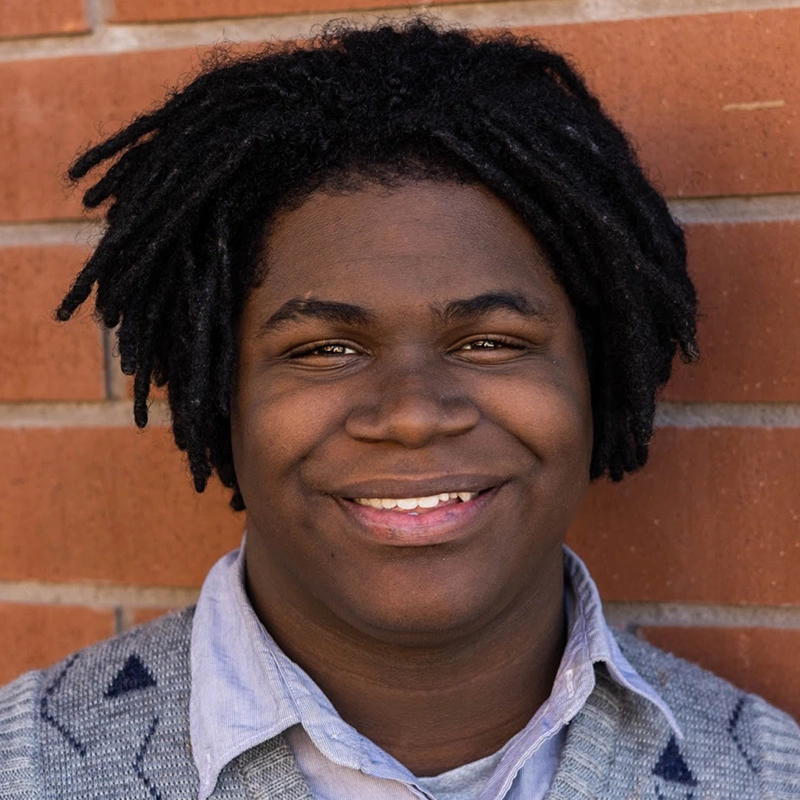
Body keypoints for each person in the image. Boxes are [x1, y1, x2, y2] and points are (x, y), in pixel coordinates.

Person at [1, 16, 798, 800]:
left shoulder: (769, 774)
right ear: (220, 398)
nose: (414, 415)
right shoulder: (27, 767)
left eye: (490, 341)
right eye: (325, 349)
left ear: (601, 378)